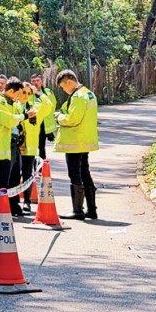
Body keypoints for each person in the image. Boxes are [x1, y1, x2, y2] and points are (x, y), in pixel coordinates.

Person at [53, 70, 100, 220]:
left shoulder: (79, 97)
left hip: (75, 141)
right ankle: (91, 209)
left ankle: (77, 210)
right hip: (84, 140)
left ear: (69, 82)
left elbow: (72, 119)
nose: (63, 90)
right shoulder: (88, 93)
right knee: (85, 172)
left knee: (75, 173)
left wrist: (59, 117)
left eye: (62, 86)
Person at [0, 77, 24, 213]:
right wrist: (24, 117)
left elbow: (17, 115)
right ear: (12, 91)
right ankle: (1, 206)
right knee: (3, 178)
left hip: (13, 144)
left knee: (15, 176)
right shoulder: (0, 102)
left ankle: (13, 204)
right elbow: (8, 120)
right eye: (18, 94)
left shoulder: (12, 102)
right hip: (3, 145)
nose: (19, 97)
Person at [15, 81, 53, 213]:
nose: (25, 95)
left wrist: (38, 93)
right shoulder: (15, 106)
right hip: (15, 147)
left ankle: (27, 201)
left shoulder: (35, 108)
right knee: (14, 175)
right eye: (23, 92)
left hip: (29, 148)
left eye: (28, 93)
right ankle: (14, 201)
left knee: (27, 174)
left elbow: (49, 105)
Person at [29, 73, 58, 159]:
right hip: (32, 122)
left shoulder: (48, 92)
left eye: (37, 81)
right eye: (33, 81)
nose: (35, 83)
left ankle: (42, 160)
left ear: (41, 82)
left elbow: (52, 105)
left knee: (41, 144)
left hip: (44, 122)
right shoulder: (28, 93)